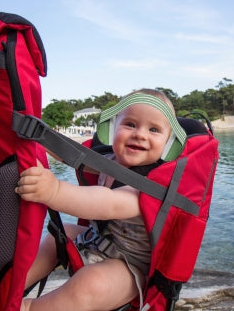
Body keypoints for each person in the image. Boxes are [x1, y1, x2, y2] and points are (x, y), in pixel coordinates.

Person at [16, 89, 185, 311]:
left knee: (92, 284)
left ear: (168, 143)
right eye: (131, 124)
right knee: (59, 234)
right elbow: (69, 154)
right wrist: (38, 137)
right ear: (113, 127)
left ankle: (29, 308)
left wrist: (54, 191)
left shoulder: (154, 185)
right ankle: (12, 286)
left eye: (154, 129)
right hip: (96, 240)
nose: (140, 134)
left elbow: (109, 202)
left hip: (129, 268)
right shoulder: (108, 160)